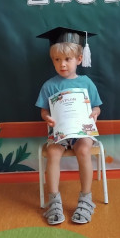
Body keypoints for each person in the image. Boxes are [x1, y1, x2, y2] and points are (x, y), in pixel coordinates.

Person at [36, 27, 102, 225]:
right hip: (60, 131)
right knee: (53, 153)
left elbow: (97, 106)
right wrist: (47, 118)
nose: (62, 64)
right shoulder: (49, 85)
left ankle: (86, 198)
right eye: (57, 60)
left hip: (82, 131)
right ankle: (54, 200)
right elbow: (43, 111)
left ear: (79, 59)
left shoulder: (86, 83)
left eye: (67, 59)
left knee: (83, 150)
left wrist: (95, 113)